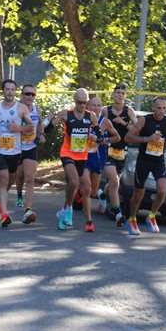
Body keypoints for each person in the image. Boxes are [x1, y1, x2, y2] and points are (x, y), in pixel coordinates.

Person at [46, 88, 105, 232]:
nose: (82, 106)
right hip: (67, 153)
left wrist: (95, 138)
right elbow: (49, 128)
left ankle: (65, 208)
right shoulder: (66, 114)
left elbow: (100, 137)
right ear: (75, 101)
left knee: (79, 187)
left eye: (85, 103)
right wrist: (47, 122)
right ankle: (68, 211)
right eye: (79, 102)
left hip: (82, 156)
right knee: (73, 182)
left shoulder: (91, 117)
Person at [0, 79, 34, 227]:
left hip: (15, 151)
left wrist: (17, 128)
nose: (10, 92)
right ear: (3, 91)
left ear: (15, 92)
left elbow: (31, 126)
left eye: (13, 89)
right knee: (4, 180)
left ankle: (1, 201)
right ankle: (4, 215)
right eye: (7, 89)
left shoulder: (22, 108)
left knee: (11, 179)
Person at [123, 96, 166, 235]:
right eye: (158, 108)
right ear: (153, 108)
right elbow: (128, 137)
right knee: (139, 194)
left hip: (159, 160)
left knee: (162, 191)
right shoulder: (145, 120)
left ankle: (151, 216)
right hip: (144, 160)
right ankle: (132, 218)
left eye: (164, 108)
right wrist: (147, 139)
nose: (161, 111)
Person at [100, 84, 137, 224]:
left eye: (122, 93)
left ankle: (102, 195)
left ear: (125, 96)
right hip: (108, 149)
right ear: (113, 94)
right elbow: (98, 126)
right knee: (115, 182)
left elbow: (137, 129)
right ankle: (117, 213)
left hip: (122, 151)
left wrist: (124, 123)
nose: (120, 95)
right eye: (117, 93)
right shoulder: (106, 110)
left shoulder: (129, 111)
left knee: (113, 183)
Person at [13, 84, 46, 224]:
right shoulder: (15, 109)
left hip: (30, 147)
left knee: (30, 178)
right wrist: (22, 129)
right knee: (19, 175)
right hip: (16, 147)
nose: (30, 97)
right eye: (27, 94)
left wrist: (41, 134)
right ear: (21, 95)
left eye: (33, 94)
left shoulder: (37, 110)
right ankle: (19, 195)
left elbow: (39, 124)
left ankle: (28, 210)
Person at [80, 96, 120, 213]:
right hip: (83, 156)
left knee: (92, 192)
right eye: (93, 105)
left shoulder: (105, 122)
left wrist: (104, 140)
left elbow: (117, 137)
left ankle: (84, 193)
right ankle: (86, 218)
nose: (96, 108)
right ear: (88, 106)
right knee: (87, 187)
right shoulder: (81, 119)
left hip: (98, 158)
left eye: (98, 106)